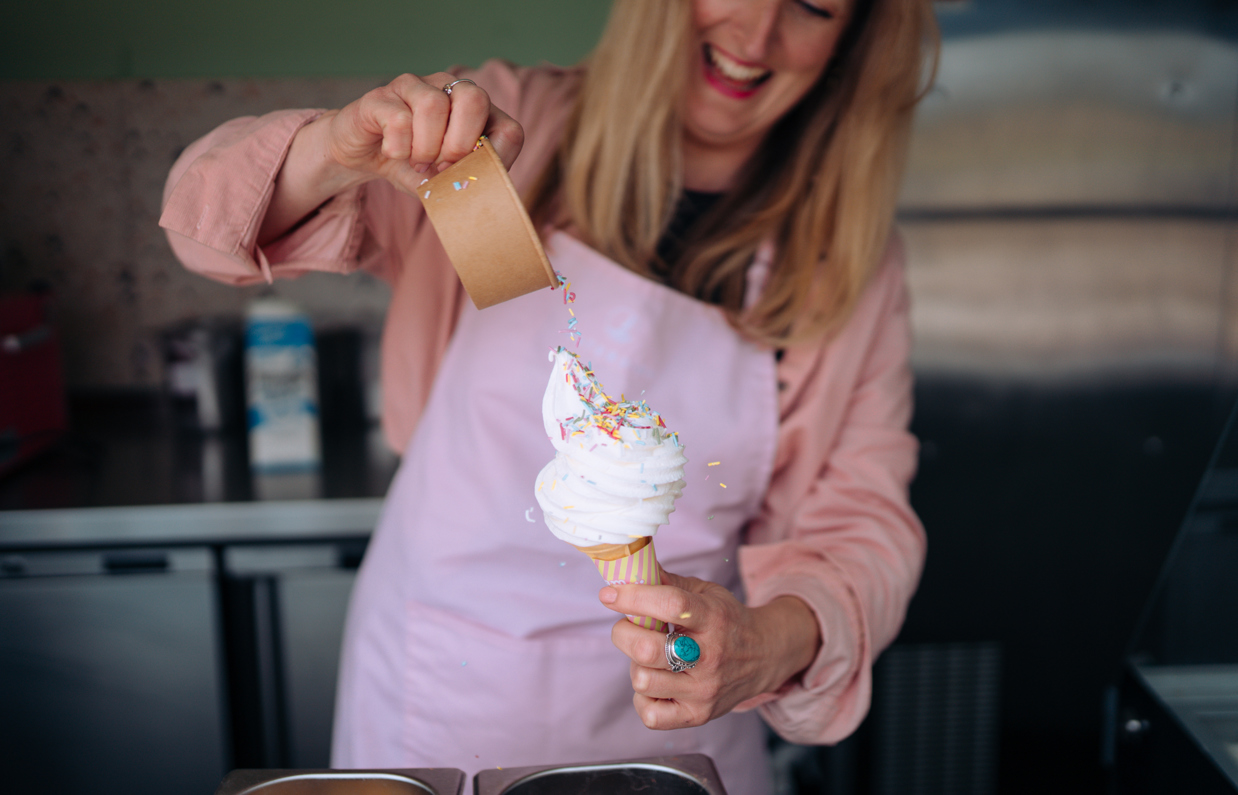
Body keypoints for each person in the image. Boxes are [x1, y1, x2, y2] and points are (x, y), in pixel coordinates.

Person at [160, 1, 938, 792]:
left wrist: (764, 644)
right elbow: (203, 229)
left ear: (854, 36)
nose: (756, 32)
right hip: (439, 695)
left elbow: (864, 520)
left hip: (674, 724)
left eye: (813, 4)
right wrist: (333, 151)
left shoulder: (845, 260)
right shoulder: (512, 140)